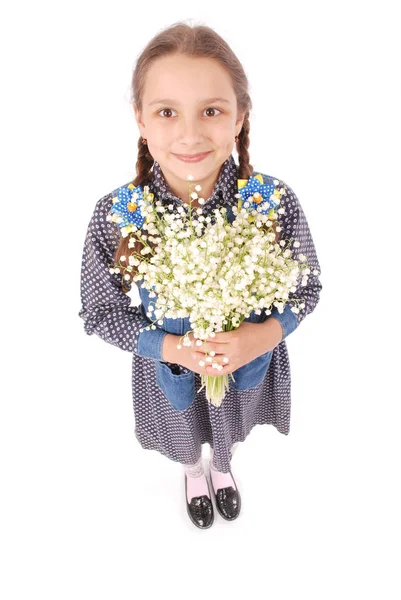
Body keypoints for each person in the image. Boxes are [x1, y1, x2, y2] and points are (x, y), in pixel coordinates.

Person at [78, 21, 323, 530]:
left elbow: (308, 284)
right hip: (168, 370)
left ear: (239, 117)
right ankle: (193, 473)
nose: (190, 134)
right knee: (182, 428)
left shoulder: (272, 202)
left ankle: (226, 469)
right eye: (167, 112)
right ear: (140, 120)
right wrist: (172, 350)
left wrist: (263, 335)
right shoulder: (116, 214)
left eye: (211, 110)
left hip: (248, 365)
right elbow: (99, 312)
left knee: (233, 423)